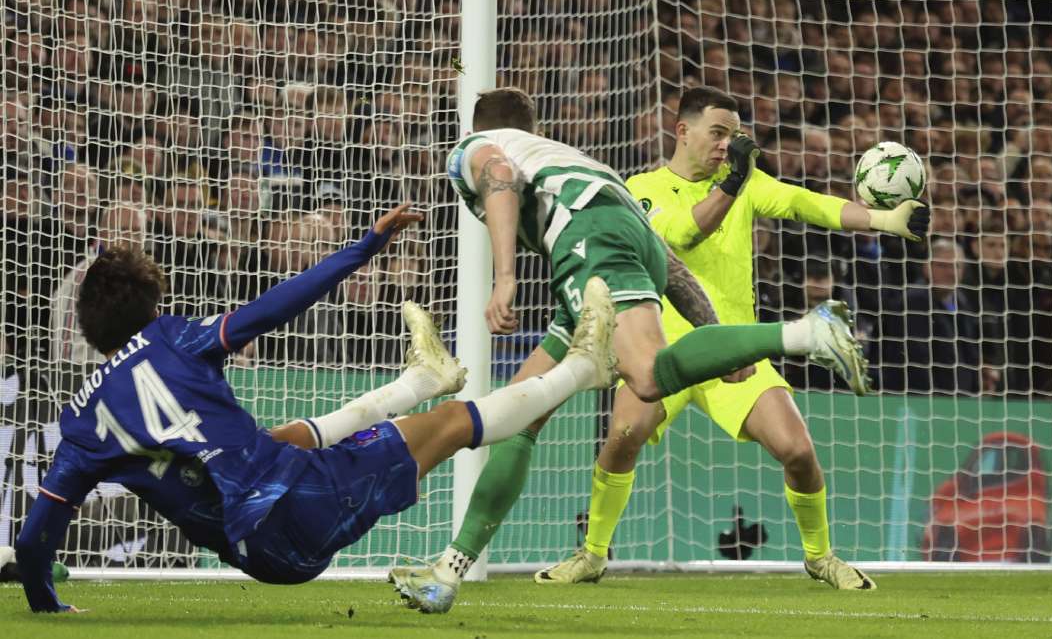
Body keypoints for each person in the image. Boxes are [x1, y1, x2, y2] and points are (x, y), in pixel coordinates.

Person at [394, 87, 879, 613]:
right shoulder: (563, 156)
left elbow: (500, 179)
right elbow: (672, 270)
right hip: (616, 233)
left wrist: (505, 278)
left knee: (646, 378)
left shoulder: (478, 146)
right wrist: (728, 348)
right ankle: (449, 571)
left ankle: (806, 333)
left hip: (586, 239)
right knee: (520, 412)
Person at [15, 202, 619, 613]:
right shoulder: (175, 337)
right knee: (456, 423)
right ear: (151, 303)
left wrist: (45, 602)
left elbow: (38, 534)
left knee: (274, 443)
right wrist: (365, 247)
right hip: (299, 513)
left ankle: (420, 378)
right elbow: (277, 305)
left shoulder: (80, 420)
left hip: (253, 553)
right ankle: (583, 368)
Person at [534, 86, 929, 590]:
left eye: (734, 136)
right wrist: (736, 182)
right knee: (621, 440)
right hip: (663, 352)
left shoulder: (743, 183)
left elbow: (808, 204)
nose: (727, 145)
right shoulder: (640, 189)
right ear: (683, 131)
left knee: (799, 451)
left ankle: (820, 556)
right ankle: (591, 554)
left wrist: (884, 219)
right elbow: (681, 234)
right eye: (718, 133)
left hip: (734, 349)